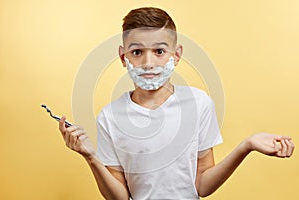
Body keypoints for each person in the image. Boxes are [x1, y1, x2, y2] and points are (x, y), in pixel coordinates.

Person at [58, 7, 295, 200]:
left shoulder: (199, 104)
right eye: (137, 52)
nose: (148, 63)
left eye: (159, 51)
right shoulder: (110, 116)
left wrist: (247, 145)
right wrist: (90, 157)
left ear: (176, 55)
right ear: (123, 57)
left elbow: (202, 186)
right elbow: (119, 197)